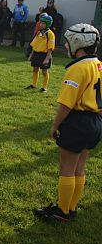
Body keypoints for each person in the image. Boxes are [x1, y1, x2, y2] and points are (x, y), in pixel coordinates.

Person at [34, 23, 102, 222]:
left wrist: (55, 125)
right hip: (96, 121)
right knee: (80, 167)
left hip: (78, 121)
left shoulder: (78, 68)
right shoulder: (98, 65)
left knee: (67, 167)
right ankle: (71, 207)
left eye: (68, 41)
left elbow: (66, 103)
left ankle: (62, 211)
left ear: (78, 42)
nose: (65, 45)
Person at [25, 14, 55, 92]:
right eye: (41, 23)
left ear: (48, 24)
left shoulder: (50, 34)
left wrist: (47, 58)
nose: (41, 25)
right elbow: (34, 45)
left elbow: (50, 48)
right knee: (35, 69)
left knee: (44, 72)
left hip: (44, 55)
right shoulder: (39, 33)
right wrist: (31, 55)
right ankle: (34, 85)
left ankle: (44, 88)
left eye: (43, 23)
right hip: (36, 54)